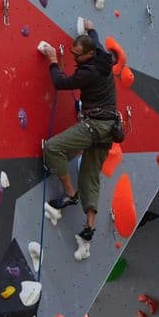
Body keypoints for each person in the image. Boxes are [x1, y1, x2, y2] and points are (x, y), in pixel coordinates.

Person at [41, 18, 117, 243]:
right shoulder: (100, 53)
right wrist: (90, 26)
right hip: (110, 127)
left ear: (89, 55)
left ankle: (70, 193)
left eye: (77, 56)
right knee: (90, 174)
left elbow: (60, 83)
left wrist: (53, 60)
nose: (74, 59)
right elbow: (94, 36)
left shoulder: (89, 73)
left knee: (53, 148)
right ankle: (89, 226)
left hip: (95, 125)